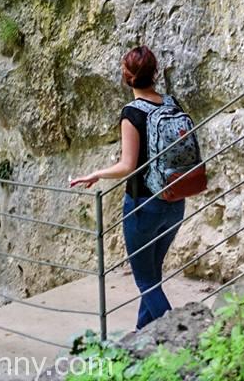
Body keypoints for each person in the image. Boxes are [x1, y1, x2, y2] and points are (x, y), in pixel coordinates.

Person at [69, 46, 185, 329]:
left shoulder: (132, 113)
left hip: (143, 206)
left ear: (126, 77)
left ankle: (182, 334)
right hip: (175, 200)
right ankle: (142, 334)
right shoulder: (172, 104)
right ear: (154, 73)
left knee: (145, 281)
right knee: (152, 274)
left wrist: (96, 173)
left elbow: (127, 166)